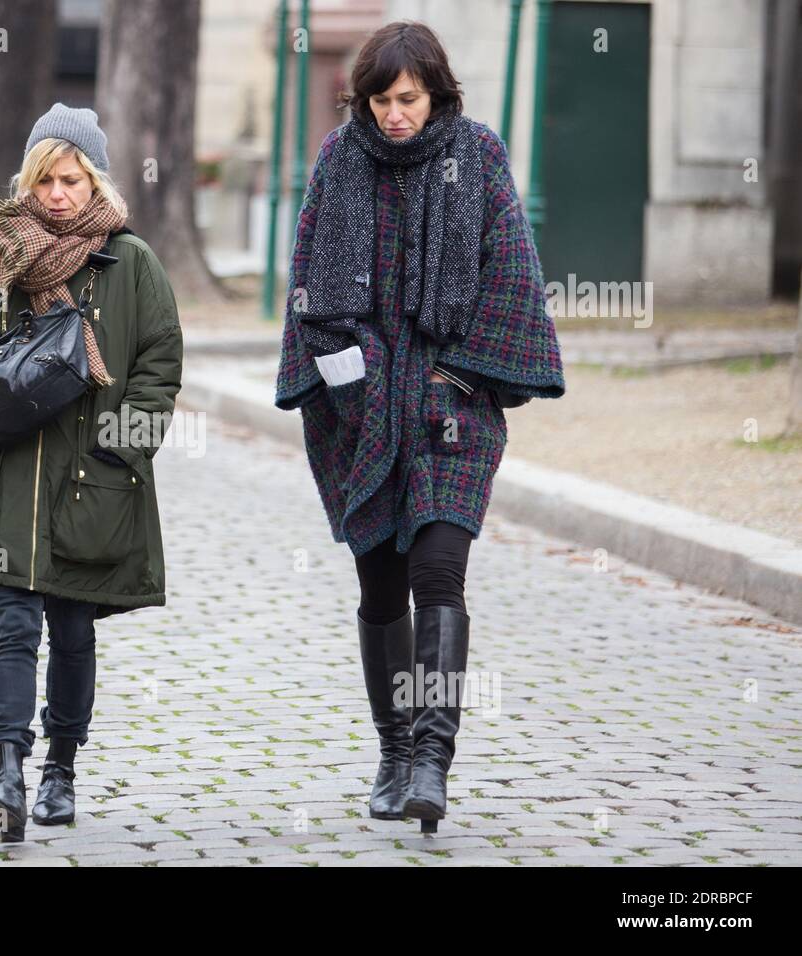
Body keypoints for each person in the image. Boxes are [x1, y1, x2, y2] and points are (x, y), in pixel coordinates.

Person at [275, 21, 565, 832]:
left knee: (439, 572)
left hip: (451, 405)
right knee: (379, 586)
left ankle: (433, 758)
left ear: (436, 91)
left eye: (408, 98)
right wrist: (351, 375)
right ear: (362, 99)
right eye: (380, 99)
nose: (395, 113)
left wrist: (459, 372)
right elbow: (309, 288)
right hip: (361, 409)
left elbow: (511, 272)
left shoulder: (476, 155)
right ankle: (394, 751)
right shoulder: (340, 160)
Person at [0, 103, 184, 842]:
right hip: (5, 477)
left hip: (91, 485)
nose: (58, 195)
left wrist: (121, 445)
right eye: (45, 181)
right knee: (14, 626)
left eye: (72, 179)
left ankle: (61, 767)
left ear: (93, 179)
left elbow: (159, 365)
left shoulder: (132, 264)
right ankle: (6, 767)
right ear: (28, 183)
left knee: (73, 631)